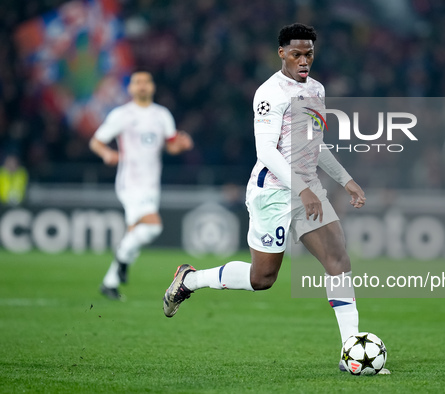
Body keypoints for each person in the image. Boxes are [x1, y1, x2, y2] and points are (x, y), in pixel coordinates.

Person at [162, 23, 388, 374]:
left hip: (307, 190)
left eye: (309, 53)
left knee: (338, 261)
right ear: (281, 53)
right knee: (262, 279)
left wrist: (346, 180)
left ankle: (351, 353)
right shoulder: (270, 93)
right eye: (296, 53)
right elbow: (266, 150)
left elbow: (316, 144)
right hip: (274, 192)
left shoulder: (316, 89)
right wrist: (301, 187)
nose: (304, 60)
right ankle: (190, 279)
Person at [90, 70, 193, 300]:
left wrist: (182, 145)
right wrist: (107, 154)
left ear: (152, 86)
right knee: (152, 227)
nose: (142, 85)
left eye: (146, 81)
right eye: (137, 82)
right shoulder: (122, 114)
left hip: (152, 183)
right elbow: (96, 141)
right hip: (130, 182)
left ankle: (110, 282)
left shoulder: (162, 115)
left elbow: (170, 146)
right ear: (131, 88)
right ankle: (123, 260)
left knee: (134, 233)